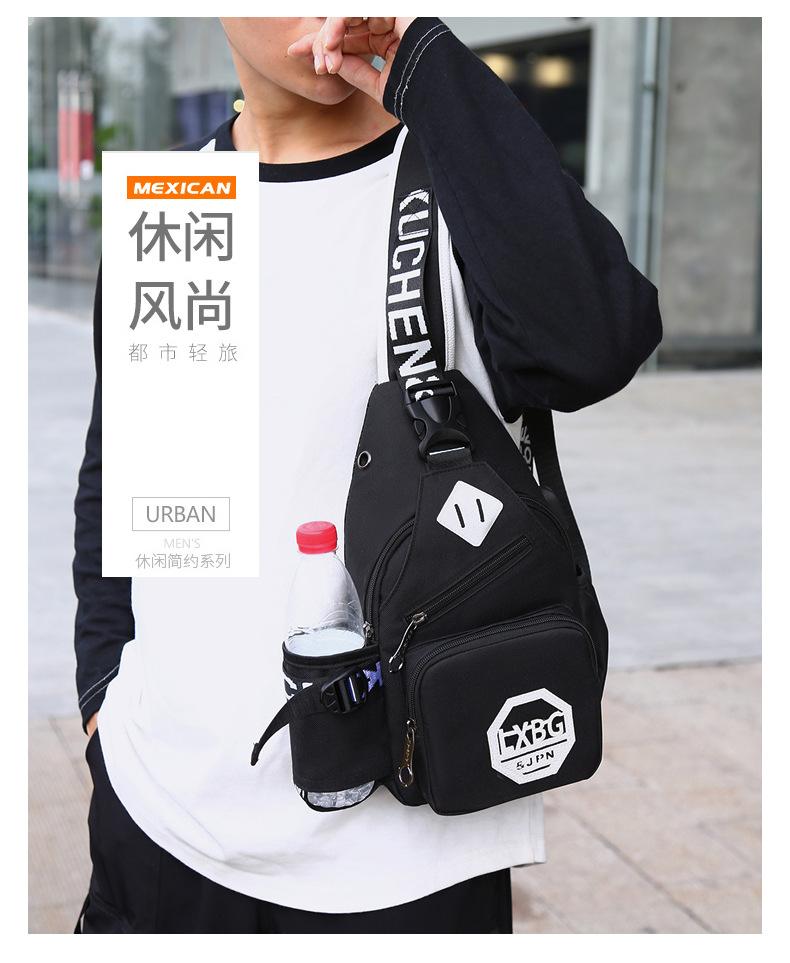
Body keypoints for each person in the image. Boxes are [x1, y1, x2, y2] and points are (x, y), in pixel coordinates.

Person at [73, 16, 662, 934]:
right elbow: (123, 473)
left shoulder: (454, 181)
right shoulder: (182, 196)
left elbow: (596, 342)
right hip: (161, 816)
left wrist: (424, 64)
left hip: (411, 852)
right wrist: (101, 694)